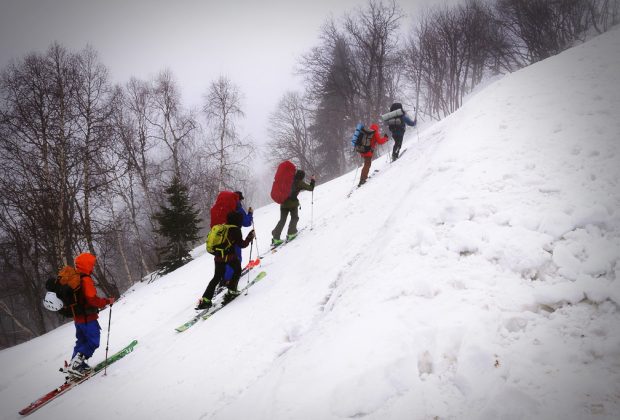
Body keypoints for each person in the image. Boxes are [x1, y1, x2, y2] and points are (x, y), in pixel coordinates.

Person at [66, 252, 114, 377]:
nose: (92, 266)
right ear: (86, 265)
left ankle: (74, 365)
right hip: (88, 318)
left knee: (81, 341)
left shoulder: (74, 279)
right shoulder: (85, 279)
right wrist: (107, 301)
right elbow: (92, 299)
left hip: (78, 319)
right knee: (93, 341)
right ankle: (76, 365)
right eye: (91, 264)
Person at [197, 211, 255, 310]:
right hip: (230, 256)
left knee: (216, 277)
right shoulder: (235, 229)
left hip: (218, 257)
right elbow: (242, 245)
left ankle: (206, 300)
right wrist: (250, 237)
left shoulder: (223, 227)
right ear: (238, 220)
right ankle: (232, 290)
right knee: (237, 271)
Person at [271, 170, 315, 246]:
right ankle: (291, 233)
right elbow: (310, 188)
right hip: (292, 204)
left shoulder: (288, 180)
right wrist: (313, 180)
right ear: (302, 176)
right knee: (294, 217)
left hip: (283, 203)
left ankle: (275, 237)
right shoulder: (299, 182)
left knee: (282, 220)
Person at [222, 191, 254, 284]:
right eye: (240, 199)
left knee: (225, 255)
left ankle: (225, 276)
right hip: (234, 233)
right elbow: (247, 223)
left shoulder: (225, 206)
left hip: (222, 234)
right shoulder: (238, 208)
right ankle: (229, 278)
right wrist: (250, 214)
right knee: (235, 256)